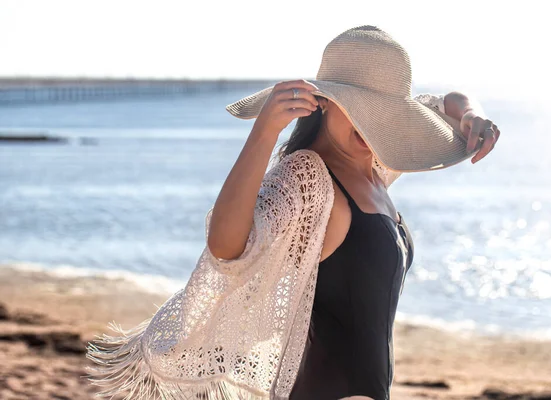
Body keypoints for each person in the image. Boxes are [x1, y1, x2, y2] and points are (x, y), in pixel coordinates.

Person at [85, 25, 499, 400]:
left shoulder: (375, 167)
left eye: (385, 115)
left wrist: (469, 114)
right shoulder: (308, 179)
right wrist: (264, 133)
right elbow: (227, 248)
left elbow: (447, 102)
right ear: (323, 102)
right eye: (358, 108)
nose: (371, 126)